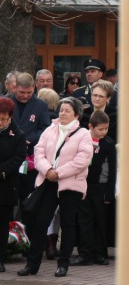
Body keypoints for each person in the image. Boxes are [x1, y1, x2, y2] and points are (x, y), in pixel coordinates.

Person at [18, 97, 93, 278]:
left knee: (67, 224)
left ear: (77, 114)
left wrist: (58, 172)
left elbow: (82, 160)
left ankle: (63, 264)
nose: (63, 113)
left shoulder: (83, 134)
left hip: (70, 184)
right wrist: (48, 170)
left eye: (67, 110)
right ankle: (32, 264)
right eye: (61, 110)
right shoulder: (50, 129)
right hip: (48, 182)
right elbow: (39, 152)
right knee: (40, 223)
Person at [73, 110, 116, 266]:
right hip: (83, 186)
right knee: (85, 220)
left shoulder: (109, 144)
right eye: (100, 129)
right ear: (91, 126)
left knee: (100, 221)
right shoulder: (81, 140)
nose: (104, 132)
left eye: (106, 129)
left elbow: (113, 169)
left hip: (101, 188)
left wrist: (109, 193)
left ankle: (99, 253)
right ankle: (84, 253)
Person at [10, 73, 51, 206]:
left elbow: (45, 129)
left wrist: (29, 139)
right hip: (8, 157)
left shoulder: (41, 105)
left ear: (34, 88)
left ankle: (26, 226)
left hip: (30, 159)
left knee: (27, 200)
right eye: (22, 92)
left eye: (29, 92)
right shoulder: (5, 102)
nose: (25, 95)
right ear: (15, 87)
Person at [0, 97, 27, 273]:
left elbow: (19, 157)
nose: (0, 122)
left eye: (3, 118)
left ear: (10, 117)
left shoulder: (18, 134)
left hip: (5, 184)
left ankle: (0, 258)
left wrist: (2, 169)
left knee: (2, 224)